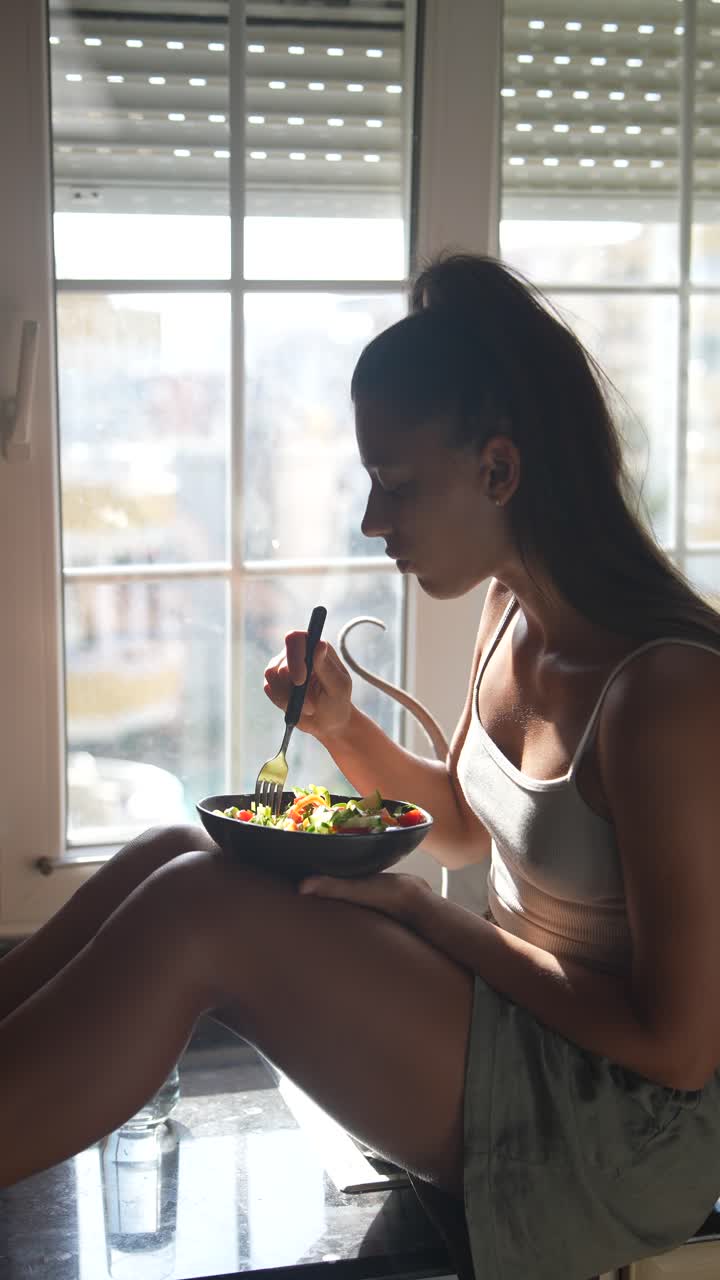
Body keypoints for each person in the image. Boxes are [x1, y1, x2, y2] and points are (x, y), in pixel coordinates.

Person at [2, 253, 720, 1280]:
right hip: (523, 1029)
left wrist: (432, 920)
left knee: (205, 910)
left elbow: (678, 1046)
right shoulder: (510, 613)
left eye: (395, 485)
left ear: (499, 470)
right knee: (171, 847)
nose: (374, 522)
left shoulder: (668, 695)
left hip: (624, 1125)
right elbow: (470, 827)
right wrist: (343, 725)